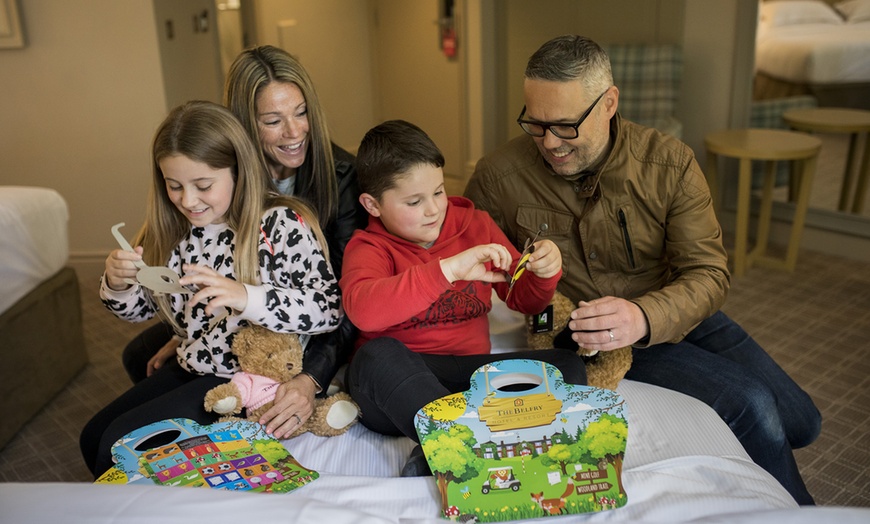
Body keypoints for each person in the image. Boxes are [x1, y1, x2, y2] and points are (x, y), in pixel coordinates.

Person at [463, 34, 821, 504]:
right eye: (536, 123)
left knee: (802, 421)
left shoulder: (669, 164)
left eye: (566, 125)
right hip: (600, 331)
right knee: (754, 406)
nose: (550, 142)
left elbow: (709, 273)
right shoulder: (499, 176)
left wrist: (645, 316)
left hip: (673, 305)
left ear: (609, 103)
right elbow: (463, 248)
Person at [80, 101, 342, 478]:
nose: (188, 200)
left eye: (203, 185)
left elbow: (328, 309)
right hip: (195, 364)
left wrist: (245, 297)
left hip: (244, 382)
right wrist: (118, 284)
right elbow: (140, 312)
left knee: (115, 447)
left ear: (239, 171)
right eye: (174, 186)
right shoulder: (173, 230)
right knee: (93, 438)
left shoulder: (282, 224)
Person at [122, 45, 367, 433]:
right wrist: (190, 334)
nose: (294, 131)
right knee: (142, 354)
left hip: (303, 331)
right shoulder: (217, 181)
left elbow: (344, 300)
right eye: (273, 121)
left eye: (301, 113)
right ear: (241, 127)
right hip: (239, 319)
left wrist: (310, 379)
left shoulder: (340, 178)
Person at [340, 120, 586, 477]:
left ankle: (443, 447)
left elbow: (526, 302)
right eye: (414, 201)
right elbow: (364, 311)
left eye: (438, 192)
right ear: (372, 205)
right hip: (400, 390)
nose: (433, 209)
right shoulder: (368, 247)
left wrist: (544, 274)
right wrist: (448, 270)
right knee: (372, 358)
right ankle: (468, 442)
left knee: (567, 368)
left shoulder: (475, 225)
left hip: (472, 381)